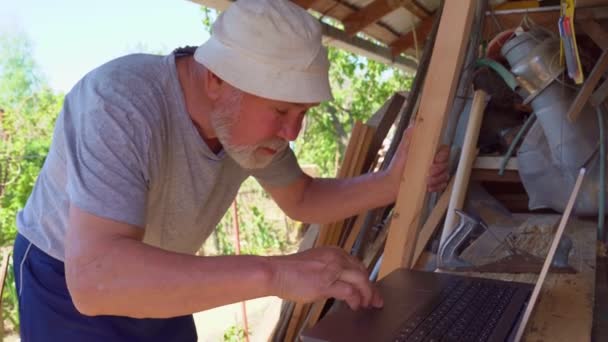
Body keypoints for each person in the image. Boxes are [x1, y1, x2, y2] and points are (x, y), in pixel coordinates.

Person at [13, 0, 449, 341]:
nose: (293, 132)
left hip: (161, 267)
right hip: (64, 281)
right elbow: (95, 278)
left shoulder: (248, 125)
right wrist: (276, 274)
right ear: (217, 80)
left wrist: (392, 183)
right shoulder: (121, 103)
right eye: (282, 110)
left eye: (303, 113)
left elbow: (301, 199)